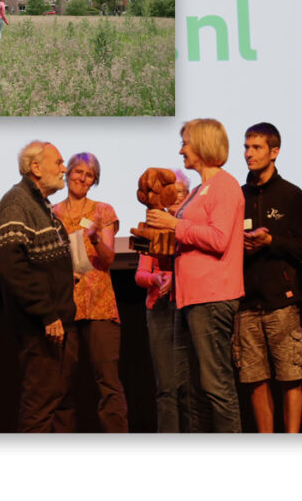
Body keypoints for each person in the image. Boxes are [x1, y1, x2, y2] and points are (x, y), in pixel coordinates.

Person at [146, 118, 245, 432]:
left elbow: (218, 239)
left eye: (185, 143)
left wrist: (175, 226)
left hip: (213, 298)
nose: (181, 150)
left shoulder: (225, 186)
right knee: (194, 389)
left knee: (217, 386)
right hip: (190, 299)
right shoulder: (199, 189)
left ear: (202, 145)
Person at [0, 141, 77, 432]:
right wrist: (47, 313)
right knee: (40, 406)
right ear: (36, 168)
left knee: (61, 404)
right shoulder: (16, 204)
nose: (64, 168)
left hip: (60, 322)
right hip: (41, 327)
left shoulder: (41, 204)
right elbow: (15, 269)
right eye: (58, 162)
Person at [236, 122, 302, 433]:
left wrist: (271, 242)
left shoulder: (292, 195)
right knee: (255, 378)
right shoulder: (238, 196)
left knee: (289, 376)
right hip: (246, 301)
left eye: (256, 147)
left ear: (274, 152)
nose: (248, 154)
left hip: (282, 301)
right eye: (246, 147)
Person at [53, 153, 129, 432]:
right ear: (68, 173)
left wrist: (96, 237)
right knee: (61, 384)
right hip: (66, 305)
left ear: (94, 180)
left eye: (89, 175)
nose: (83, 178)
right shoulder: (53, 213)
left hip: (99, 305)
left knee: (108, 380)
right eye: (78, 172)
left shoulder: (103, 210)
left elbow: (108, 260)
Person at [134, 170, 192, 432]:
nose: (177, 198)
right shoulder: (155, 228)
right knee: (166, 388)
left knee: (189, 387)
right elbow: (141, 273)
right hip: (159, 309)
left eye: (182, 193)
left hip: (188, 307)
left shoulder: (191, 227)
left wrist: (176, 278)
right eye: (173, 193)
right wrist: (157, 280)